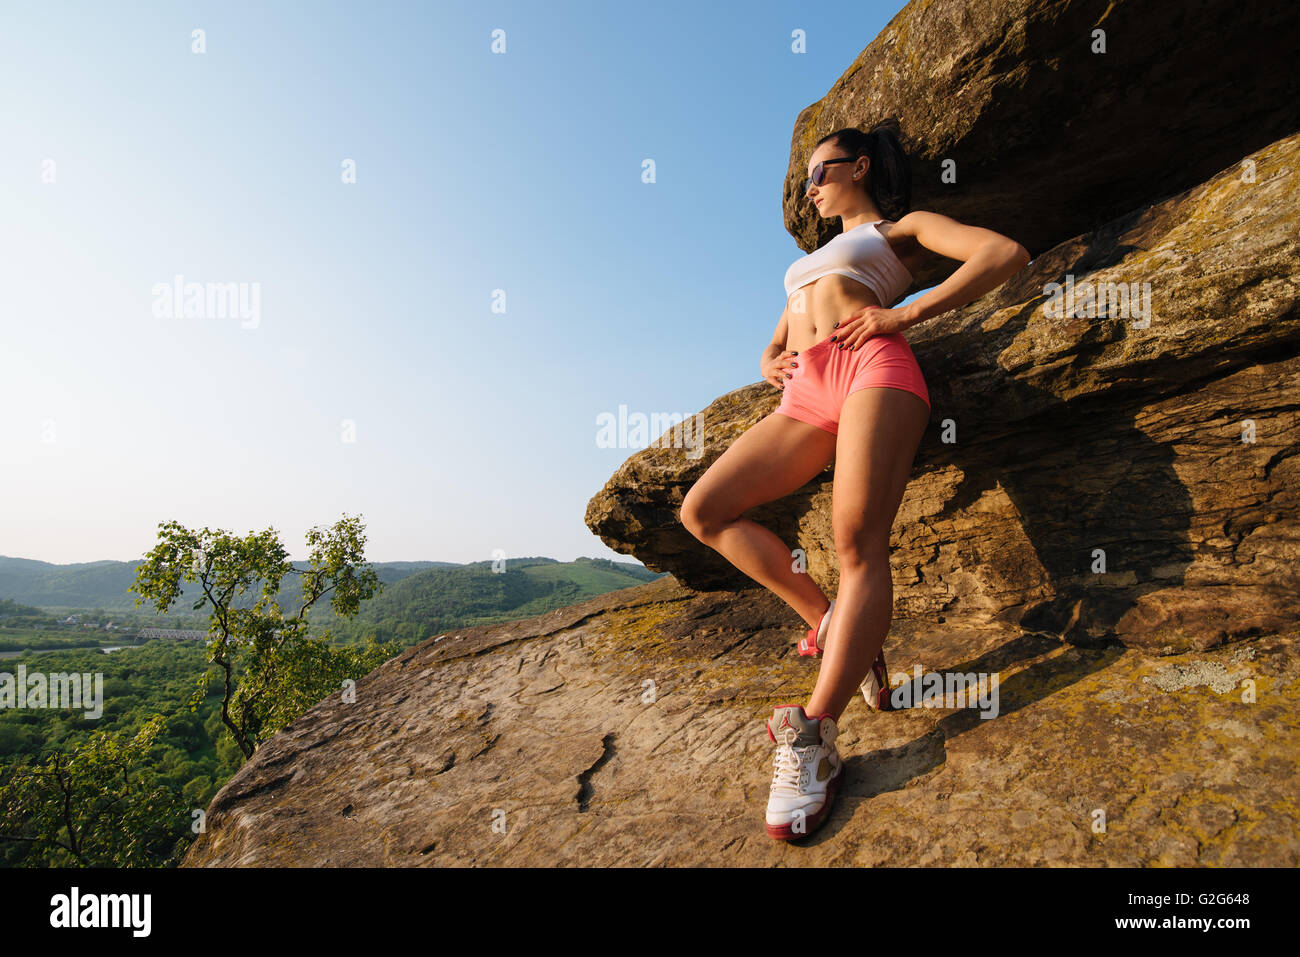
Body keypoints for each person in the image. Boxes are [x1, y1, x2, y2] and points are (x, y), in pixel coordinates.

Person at [680, 123, 1030, 841]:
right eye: (806, 178)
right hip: (805, 393)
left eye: (821, 171)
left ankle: (814, 736)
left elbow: (1004, 253)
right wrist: (768, 357)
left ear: (860, 167)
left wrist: (902, 313)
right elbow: (780, 334)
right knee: (704, 509)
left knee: (856, 541)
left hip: (875, 369)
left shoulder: (900, 229)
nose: (810, 187)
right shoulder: (807, 260)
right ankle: (829, 622)